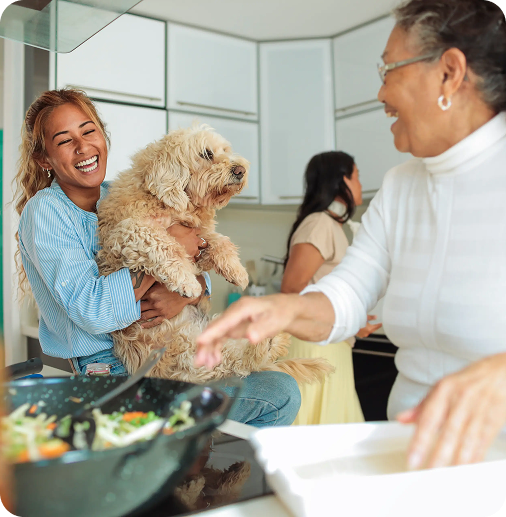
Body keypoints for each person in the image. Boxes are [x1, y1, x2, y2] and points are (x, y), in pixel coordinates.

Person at [196, 0, 506, 467]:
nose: (381, 92)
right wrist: (282, 307)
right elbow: (348, 294)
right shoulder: (402, 186)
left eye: (389, 70)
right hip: (411, 454)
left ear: (450, 72)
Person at [14, 88, 300, 427]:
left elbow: (195, 275)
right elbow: (92, 310)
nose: (82, 146)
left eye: (88, 131)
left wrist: (180, 294)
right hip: (110, 372)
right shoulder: (45, 211)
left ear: (103, 136)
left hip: (169, 346)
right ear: (45, 159)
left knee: (278, 386)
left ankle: (189, 461)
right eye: (64, 140)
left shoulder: (119, 193)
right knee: (278, 393)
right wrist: (171, 246)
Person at [281, 151, 381, 425]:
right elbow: (291, 290)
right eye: (357, 176)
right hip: (315, 347)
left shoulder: (331, 225)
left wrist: (351, 322)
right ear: (341, 182)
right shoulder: (319, 224)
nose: (361, 184)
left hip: (328, 344)